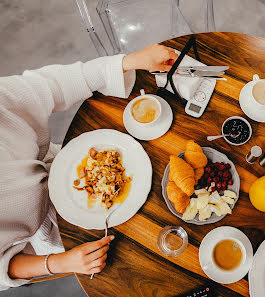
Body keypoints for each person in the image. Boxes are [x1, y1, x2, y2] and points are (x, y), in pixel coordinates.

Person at [0, 44, 178, 290]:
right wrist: (61, 263)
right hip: (51, 235)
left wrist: (128, 62)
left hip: (60, 166)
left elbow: (47, 86)